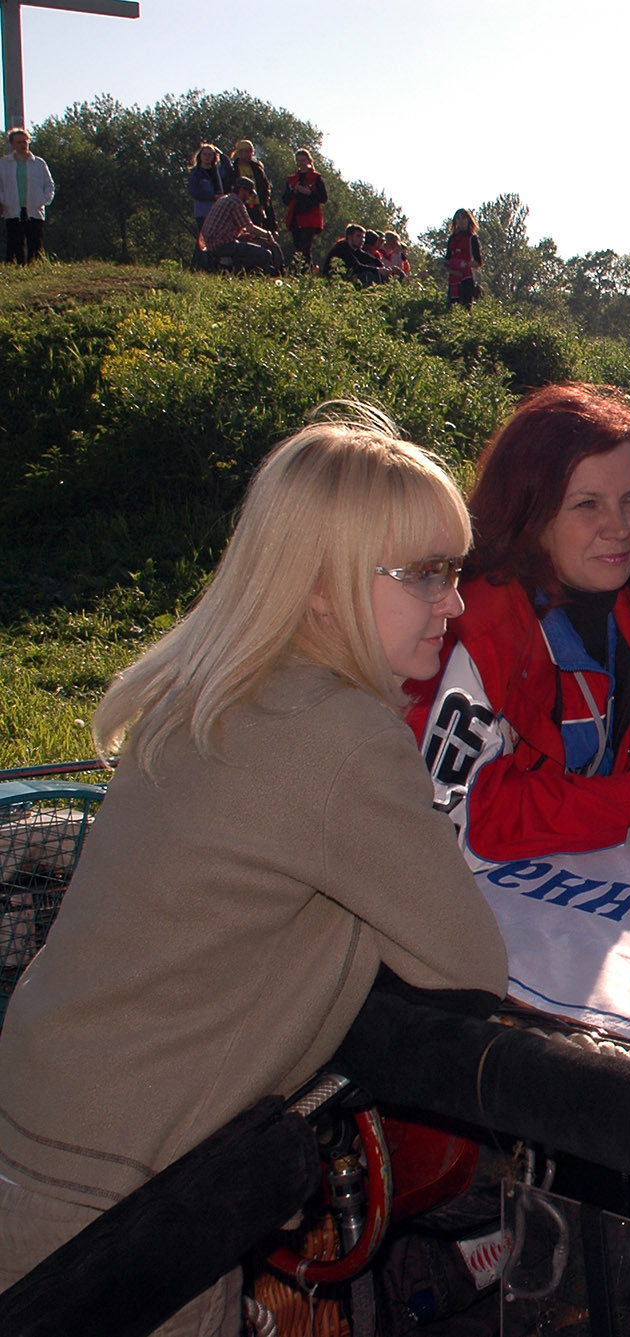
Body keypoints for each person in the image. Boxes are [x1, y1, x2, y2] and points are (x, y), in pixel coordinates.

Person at [0, 406, 509, 1333]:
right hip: (131, 1190)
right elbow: (467, 962)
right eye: (426, 573)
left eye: (457, 570)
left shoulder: (211, 683)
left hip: (42, 1123)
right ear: (321, 588)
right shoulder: (341, 733)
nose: (456, 602)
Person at [408, 383, 630, 861]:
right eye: (587, 504)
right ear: (530, 513)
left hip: (608, 904)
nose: (619, 527)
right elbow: (450, 813)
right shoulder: (470, 627)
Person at [195, 175, 283, 275]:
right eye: (250, 193)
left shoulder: (225, 199)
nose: (250, 197)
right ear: (242, 190)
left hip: (211, 244)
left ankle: (228, 268)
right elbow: (249, 227)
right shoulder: (236, 202)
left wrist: (244, 236)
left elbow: (230, 227)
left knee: (245, 246)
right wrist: (268, 234)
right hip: (222, 244)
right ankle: (244, 274)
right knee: (265, 254)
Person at [1, 127, 54, 264]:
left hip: (34, 209)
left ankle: (35, 270)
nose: (22, 145)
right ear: (12, 144)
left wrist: (43, 200)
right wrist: (4, 200)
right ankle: (17, 271)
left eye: (25, 142)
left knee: (35, 244)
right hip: (12, 209)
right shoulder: (4, 164)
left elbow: (49, 185)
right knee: (15, 244)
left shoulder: (38, 163)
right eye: (19, 142)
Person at [281, 148, 327, 273]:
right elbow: (285, 199)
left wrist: (309, 192)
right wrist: (293, 191)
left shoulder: (316, 178)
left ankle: (306, 272)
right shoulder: (292, 179)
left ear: (309, 161)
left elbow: (323, 198)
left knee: (305, 248)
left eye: (303, 160)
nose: (301, 163)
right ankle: (299, 272)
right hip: (295, 217)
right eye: (298, 160)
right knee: (297, 247)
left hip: (310, 218)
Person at [221, 138, 271, 229]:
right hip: (240, 206)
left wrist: (263, 204)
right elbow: (228, 187)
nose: (249, 154)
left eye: (250, 152)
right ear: (239, 153)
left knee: (257, 231)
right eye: (246, 151)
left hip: (256, 206)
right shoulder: (233, 169)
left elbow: (265, 187)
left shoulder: (257, 169)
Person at [325, 221, 389, 284]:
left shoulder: (356, 249)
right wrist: (377, 270)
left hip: (347, 278)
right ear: (349, 236)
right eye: (358, 236)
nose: (362, 240)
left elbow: (369, 258)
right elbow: (357, 267)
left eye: (363, 237)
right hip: (335, 280)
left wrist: (383, 267)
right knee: (369, 276)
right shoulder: (342, 248)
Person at [185, 142, 227, 236]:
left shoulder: (217, 171)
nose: (207, 157)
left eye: (210, 154)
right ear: (200, 156)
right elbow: (194, 191)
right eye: (204, 154)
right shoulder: (196, 173)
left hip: (219, 211)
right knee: (204, 240)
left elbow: (227, 166)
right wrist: (212, 197)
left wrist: (219, 151)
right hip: (203, 212)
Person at [444, 208, 481, 307]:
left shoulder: (472, 239)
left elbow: (478, 262)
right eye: (458, 218)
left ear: (469, 220)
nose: (461, 221)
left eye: (464, 218)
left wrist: (464, 264)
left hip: (466, 279)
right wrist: (453, 270)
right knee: (451, 308)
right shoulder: (452, 239)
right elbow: (446, 260)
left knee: (466, 307)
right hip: (453, 280)